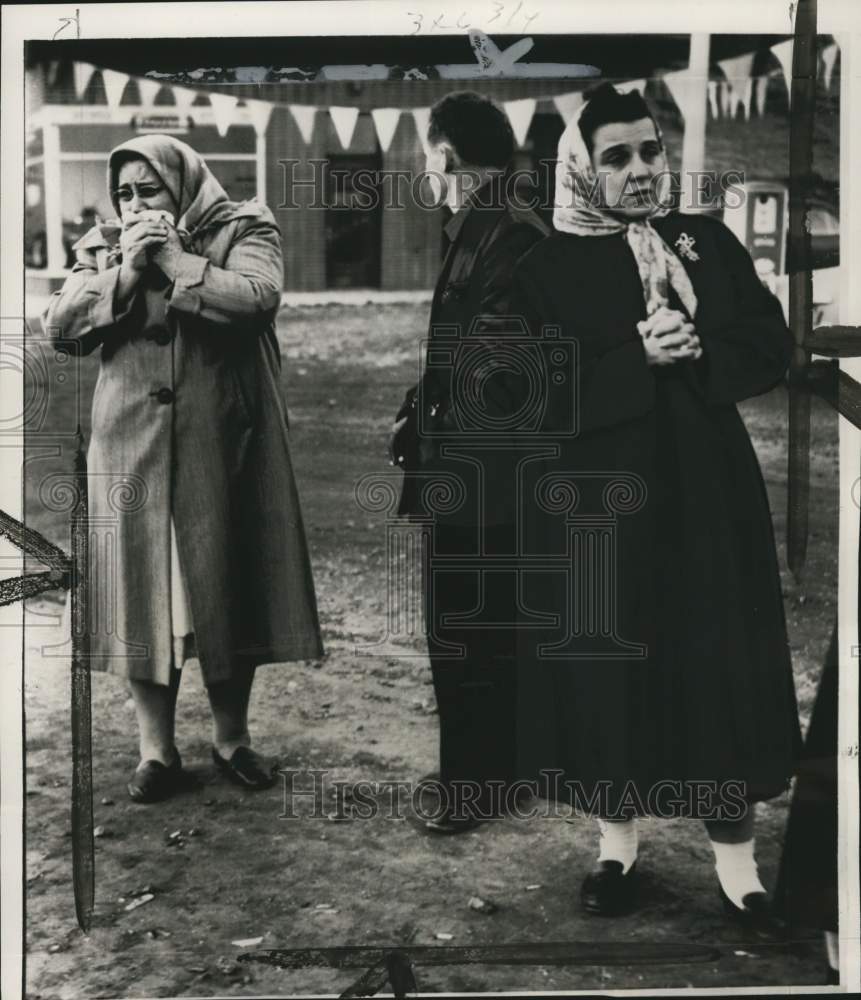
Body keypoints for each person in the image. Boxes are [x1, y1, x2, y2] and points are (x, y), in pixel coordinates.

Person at [508, 84, 801, 925]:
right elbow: (525, 389)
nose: (640, 172)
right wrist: (631, 354)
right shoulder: (546, 266)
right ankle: (616, 847)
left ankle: (736, 862)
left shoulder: (702, 240)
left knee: (718, 659)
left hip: (709, 492)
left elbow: (766, 337)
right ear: (581, 168)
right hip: (603, 500)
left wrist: (702, 345)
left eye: (650, 153)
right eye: (617, 157)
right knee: (613, 667)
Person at [44, 135, 323, 803]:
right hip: (131, 448)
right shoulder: (104, 246)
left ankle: (232, 739)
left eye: (150, 191)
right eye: (125, 193)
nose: (135, 204)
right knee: (144, 595)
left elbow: (257, 298)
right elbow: (61, 327)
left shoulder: (241, 226)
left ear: (184, 187)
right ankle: (155, 751)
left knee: (226, 584)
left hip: (223, 442)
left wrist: (175, 260)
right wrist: (131, 272)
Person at [390, 91, 548, 833]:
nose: (427, 166)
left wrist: (438, 415)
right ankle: (501, 775)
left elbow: (500, 361)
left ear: (445, 155)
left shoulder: (505, 230)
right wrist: (415, 402)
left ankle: (473, 788)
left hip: (482, 475)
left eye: (428, 152)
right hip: (476, 467)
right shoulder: (487, 225)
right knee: (481, 629)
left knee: (463, 631)